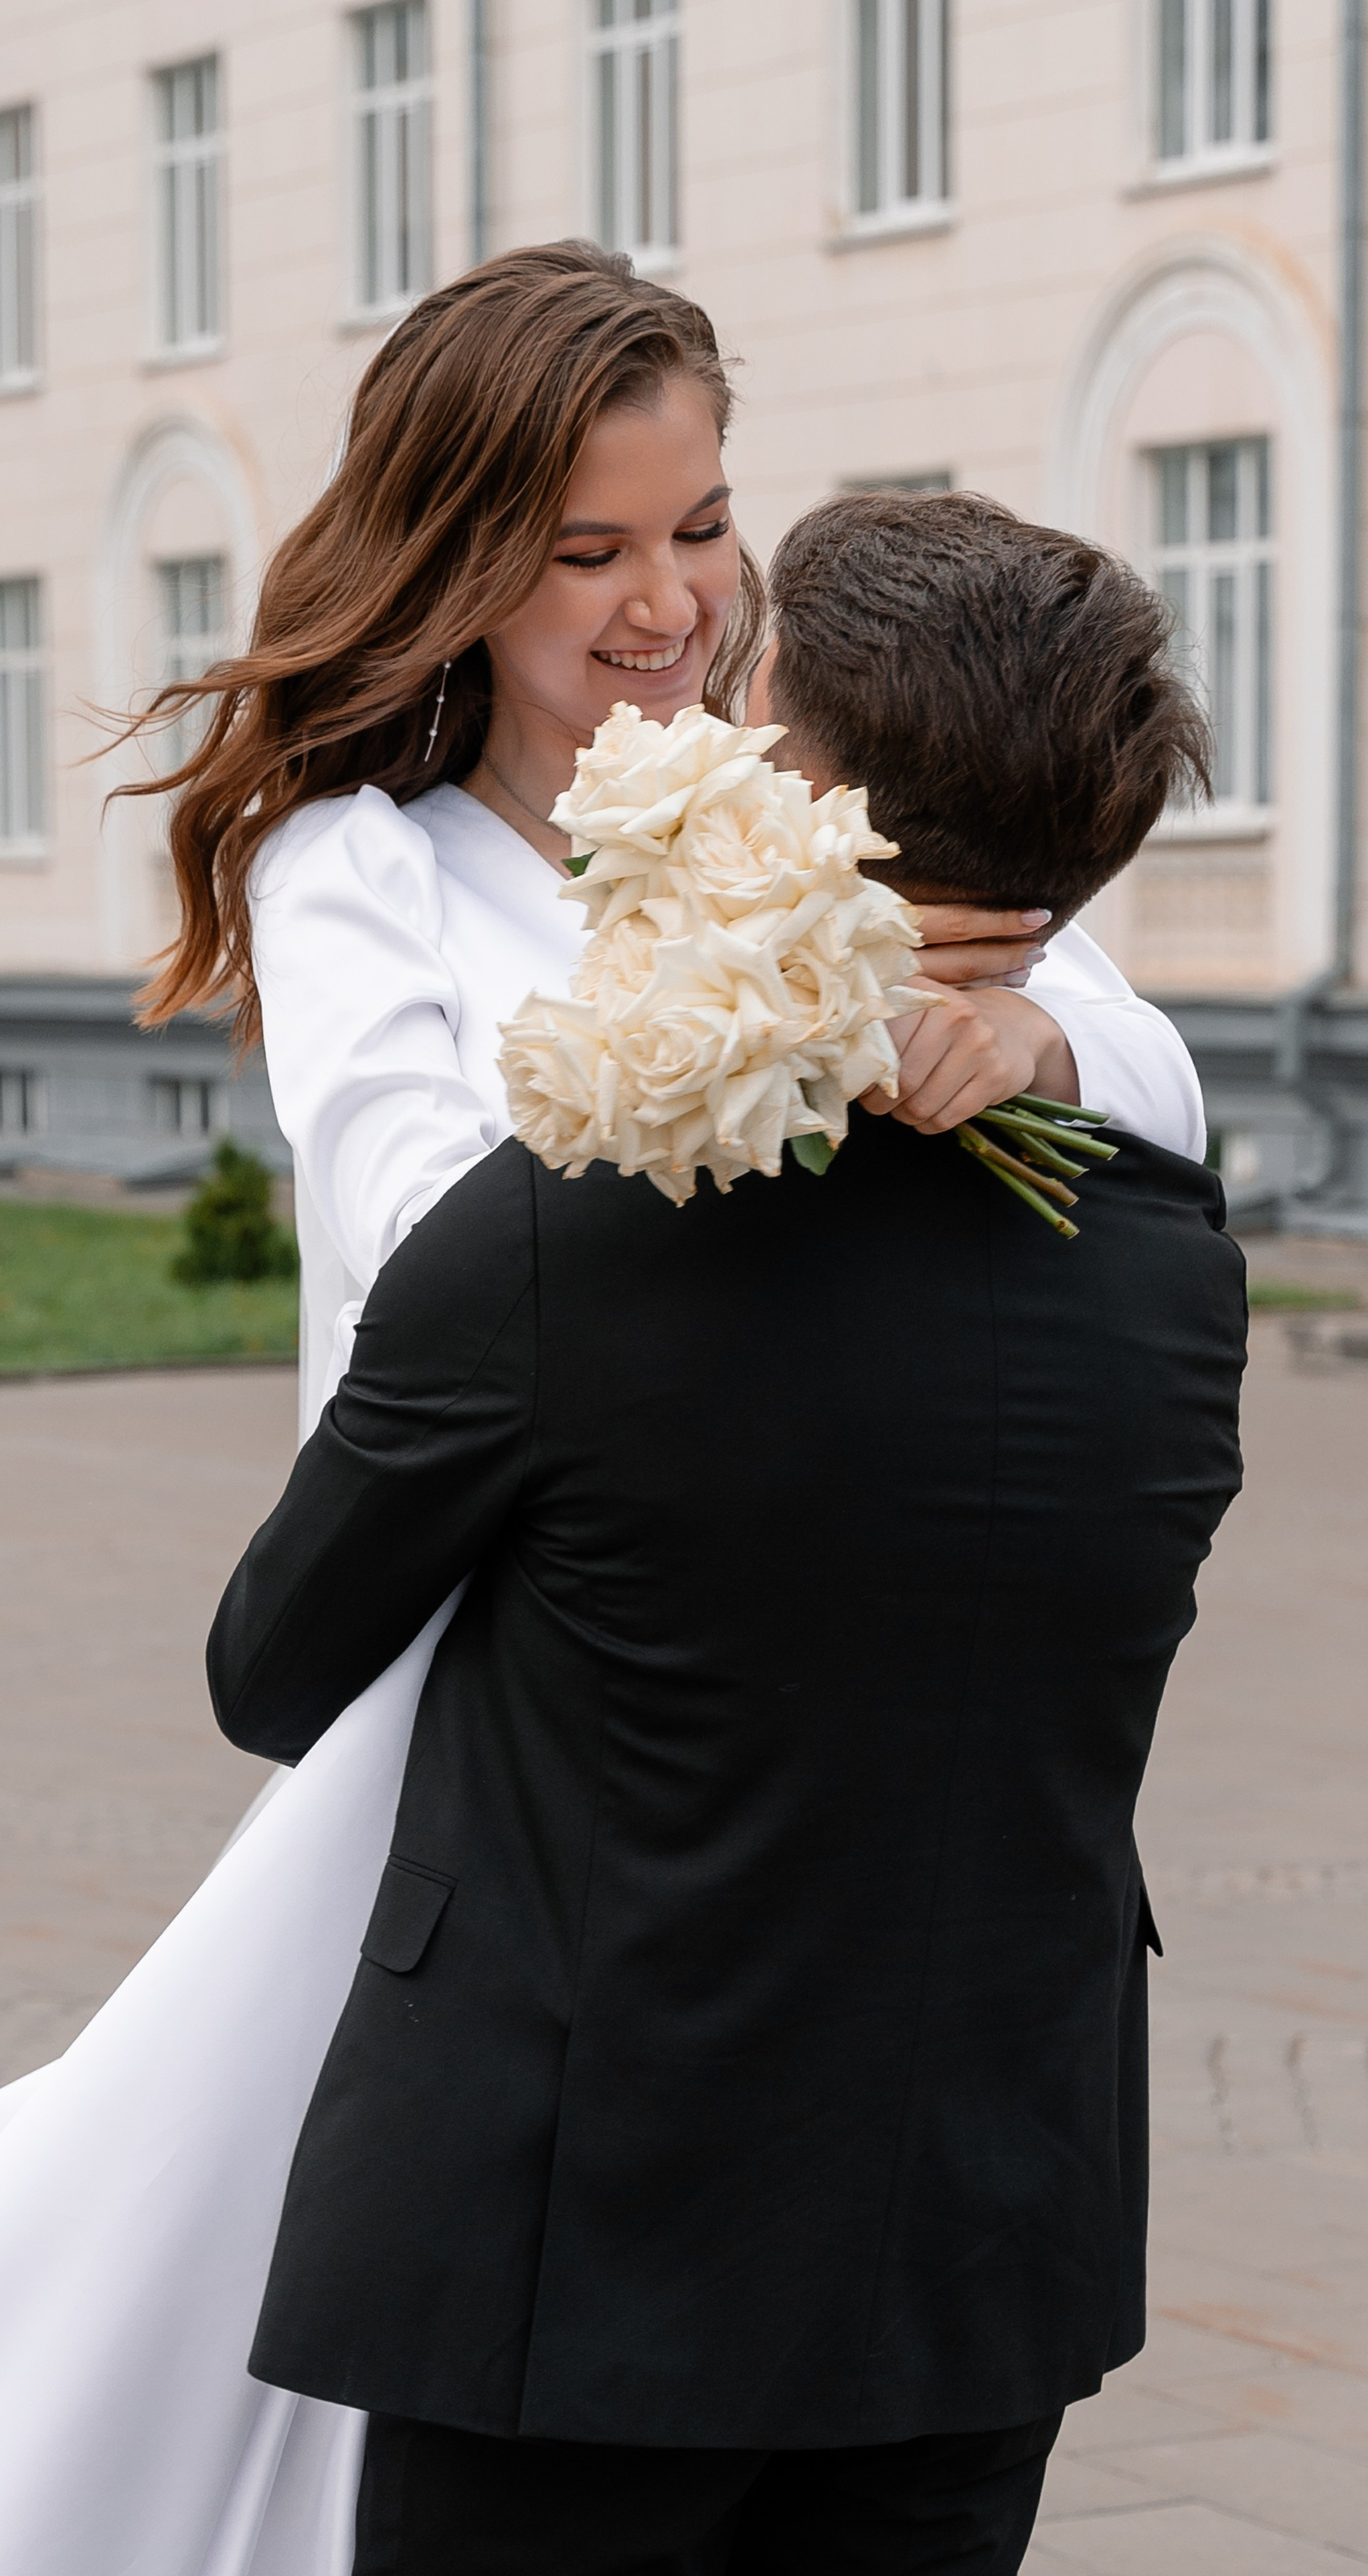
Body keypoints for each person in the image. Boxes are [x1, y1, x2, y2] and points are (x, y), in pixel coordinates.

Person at [0, 246, 1205, 2576]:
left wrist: (1027, 1031)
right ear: (458, 563)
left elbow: (1144, 1086)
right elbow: (418, 1228)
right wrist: (759, 1043)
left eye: (703, 528)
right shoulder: (369, 870)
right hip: (503, 1701)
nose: (667, 605)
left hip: (825, 1741)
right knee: (273, 2330)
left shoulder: (812, 805)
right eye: (588, 550)